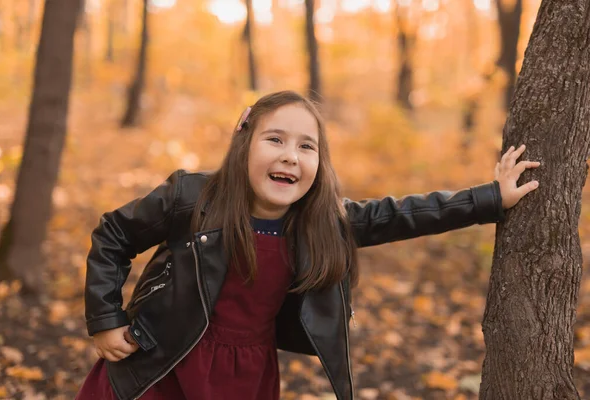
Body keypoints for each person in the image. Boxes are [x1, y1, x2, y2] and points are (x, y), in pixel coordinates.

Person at [76, 90, 540, 400]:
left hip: (245, 376)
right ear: (244, 145)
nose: (289, 156)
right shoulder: (192, 199)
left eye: (306, 146)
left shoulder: (321, 222)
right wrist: (105, 318)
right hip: (162, 365)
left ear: (319, 162)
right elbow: (114, 234)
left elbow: (406, 214)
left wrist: (490, 198)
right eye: (274, 139)